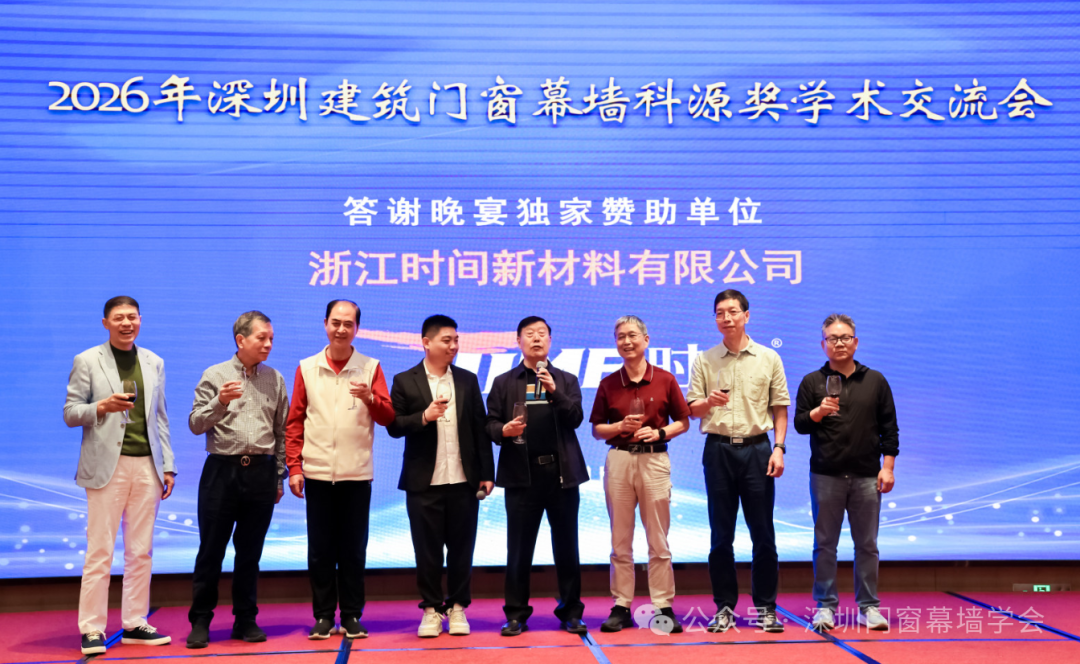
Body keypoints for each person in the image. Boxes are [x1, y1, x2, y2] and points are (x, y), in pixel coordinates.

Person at [64, 296, 176, 655]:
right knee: (100, 551)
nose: (127, 323)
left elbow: (160, 417)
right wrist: (102, 406)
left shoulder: (154, 361)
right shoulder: (87, 359)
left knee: (141, 551)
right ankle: (92, 628)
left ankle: (135, 623)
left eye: (132, 317)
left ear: (140, 320)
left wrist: (168, 465)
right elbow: (70, 412)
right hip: (105, 466)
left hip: (147, 466)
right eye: (119, 318)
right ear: (106, 323)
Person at [285, 300, 396, 639]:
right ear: (325, 324)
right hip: (317, 474)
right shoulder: (307, 368)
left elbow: (388, 417)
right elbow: (295, 421)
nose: (341, 329)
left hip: (356, 475)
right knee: (320, 550)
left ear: (357, 328)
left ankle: (350, 615)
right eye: (336, 322)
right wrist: (294, 467)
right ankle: (322, 616)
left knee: (353, 550)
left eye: (348, 324)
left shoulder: (370, 367)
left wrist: (369, 398)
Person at [686, 289, 789, 633]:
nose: (726, 318)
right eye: (720, 312)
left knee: (763, 534)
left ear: (747, 315)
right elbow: (692, 409)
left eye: (732, 311)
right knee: (720, 536)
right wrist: (708, 403)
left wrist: (779, 448)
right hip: (718, 450)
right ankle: (724, 608)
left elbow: (779, 408)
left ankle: (766, 608)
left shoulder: (768, 358)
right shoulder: (705, 359)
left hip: (758, 450)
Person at [185, 311, 289, 648]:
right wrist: (220, 402)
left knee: (250, 553)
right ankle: (201, 620)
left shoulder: (275, 378)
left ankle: (245, 619)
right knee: (211, 551)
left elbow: (282, 432)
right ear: (241, 340)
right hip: (221, 472)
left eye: (271, 338)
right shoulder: (214, 375)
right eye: (262, 338)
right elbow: (195, 424)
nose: (268, 344)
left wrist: (279, 476)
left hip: (261, 473)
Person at [387, 315, 495, 638]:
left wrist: (487, 473)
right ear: (426, 342)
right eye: (447, 340)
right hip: (424, 482)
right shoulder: (405, 380)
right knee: (427, 551)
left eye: (456, 340)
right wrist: (424, 416)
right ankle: (432, 609)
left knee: (462, 549)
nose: (454, 346)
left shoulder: (467, 380)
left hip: (463, 481)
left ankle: (458, 607)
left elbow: (479, 428)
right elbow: (394, 426)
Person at [794, 314, 899, 632]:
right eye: (832, 338)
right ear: (822, 344)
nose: (839, 343)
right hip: (825, 475)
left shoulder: (875, 380)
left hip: (867, 476)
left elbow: (889, 429)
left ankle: (868, 607)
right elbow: (800, 424)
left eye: (845, 337)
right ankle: (825, 606)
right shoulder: (812, 381)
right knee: (825, 544)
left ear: (855, 342)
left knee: (867, 544)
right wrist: (818, 411)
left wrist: (888, 468)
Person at [486, 317, 588, 636]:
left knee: (567, 547)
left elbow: (575, 418)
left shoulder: (566, 379)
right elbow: (489, 424)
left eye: (542, 334)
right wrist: (503, 430)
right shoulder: (504, 382)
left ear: (550, 340)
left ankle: (571, 612)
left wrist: (555, 392)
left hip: (561, 476)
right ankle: (516, 614)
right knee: (518, 550)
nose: (536, 339)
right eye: (529, 334)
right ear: (518, 341)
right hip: (522, 477)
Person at [590, 315, 690, 633]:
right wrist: (619, 427)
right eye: (620, 336)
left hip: (654, 461)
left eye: (632, 335)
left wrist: (660, 433)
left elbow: (684, 422)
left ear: (646, 340)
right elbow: (597, 430)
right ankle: (621, 606)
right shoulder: (608, 383)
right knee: (620, 540)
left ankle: (663, 606)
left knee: (658, 540)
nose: (627, 341)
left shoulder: (665, 379)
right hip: (619, 460)